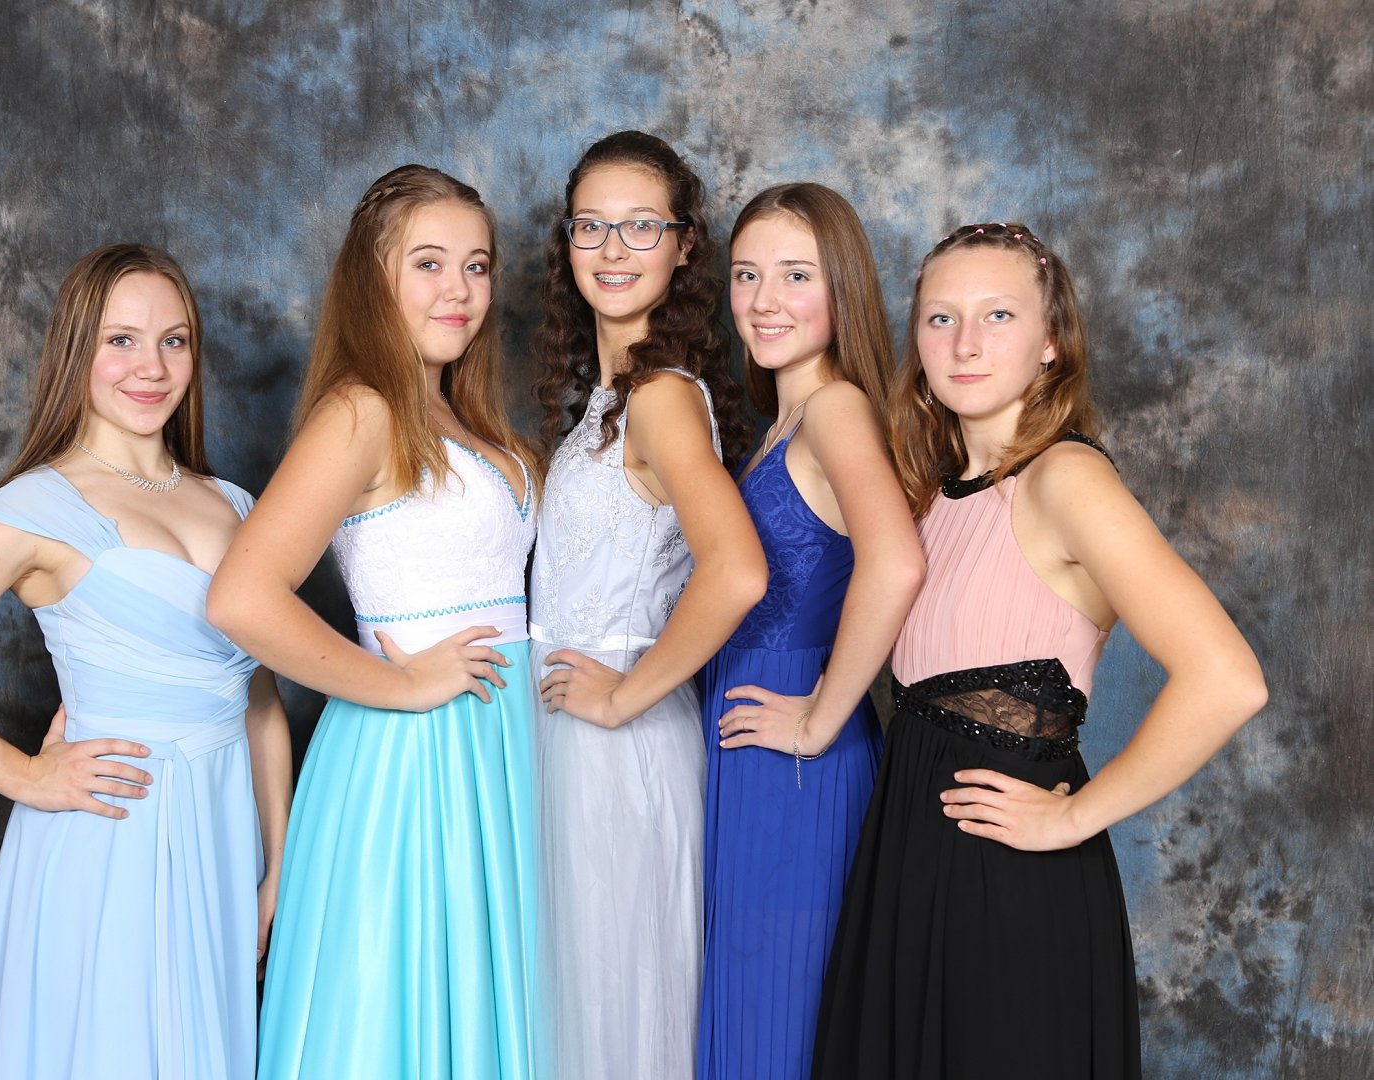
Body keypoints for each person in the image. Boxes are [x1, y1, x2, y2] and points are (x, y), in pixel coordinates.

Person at [812, 222, 1268, 1078]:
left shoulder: (1066, 480)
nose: (966, 343)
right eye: (941, 318)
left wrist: (1073, 817)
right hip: (907, 860)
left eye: (998, 315)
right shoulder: (929, 494)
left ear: (1051, 341)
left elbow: (1227, 678)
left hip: (1009, 881)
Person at [0, 243, 293, 1079]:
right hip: (111, 830)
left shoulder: (236, 505)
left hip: (223, 833)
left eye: (174, 340)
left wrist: (279, 863)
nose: (151, 367)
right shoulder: (35, 509)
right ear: (76, 351)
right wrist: (27, 776)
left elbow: (259, 697)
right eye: (120, 340)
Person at [207, 165, 540, 1079]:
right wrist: (400, 683)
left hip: (502, 744)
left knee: (486, 1003)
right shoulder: (362, 410)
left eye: (477, 265)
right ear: (372, 278)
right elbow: (241, 597)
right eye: (428, 263)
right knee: (404, 1006)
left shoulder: (462, 413)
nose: (458, 289)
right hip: (412, 754)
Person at [529, 130, 767, 1080]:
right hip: (569, 738)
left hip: (617, 740)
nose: (614, 248)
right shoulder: (610, 399)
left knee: (614, 1005)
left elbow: (737, 571)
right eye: (592, 226)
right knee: (581, 1001)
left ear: (684, 246)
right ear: (567, 244)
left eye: (642, 226)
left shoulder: (663, 397)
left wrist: (625, 696)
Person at [698, 183, 923, 1078]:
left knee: (781, 1009)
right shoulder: (781, 423)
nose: (763, 300)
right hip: (749, 737)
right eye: (746, 274)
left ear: (843, 289)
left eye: (796, 275)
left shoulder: (835, 410)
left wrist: (818, 719)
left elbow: (896, 563)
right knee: (751, 995)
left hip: (793, 751)